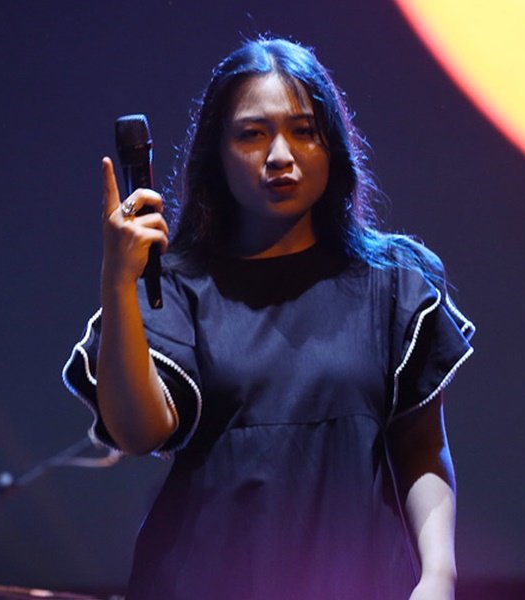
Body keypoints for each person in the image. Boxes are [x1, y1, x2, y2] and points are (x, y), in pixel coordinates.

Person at [61, 37, 474, 599]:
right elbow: (139, 434)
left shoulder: (393, 280)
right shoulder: (178, 285)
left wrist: (438, 575)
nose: (281, 155)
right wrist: (118, 280)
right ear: (218, 154)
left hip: (358, 581)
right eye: (253, 134)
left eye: (304, 130)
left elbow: (422, 447)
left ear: (332, 146)